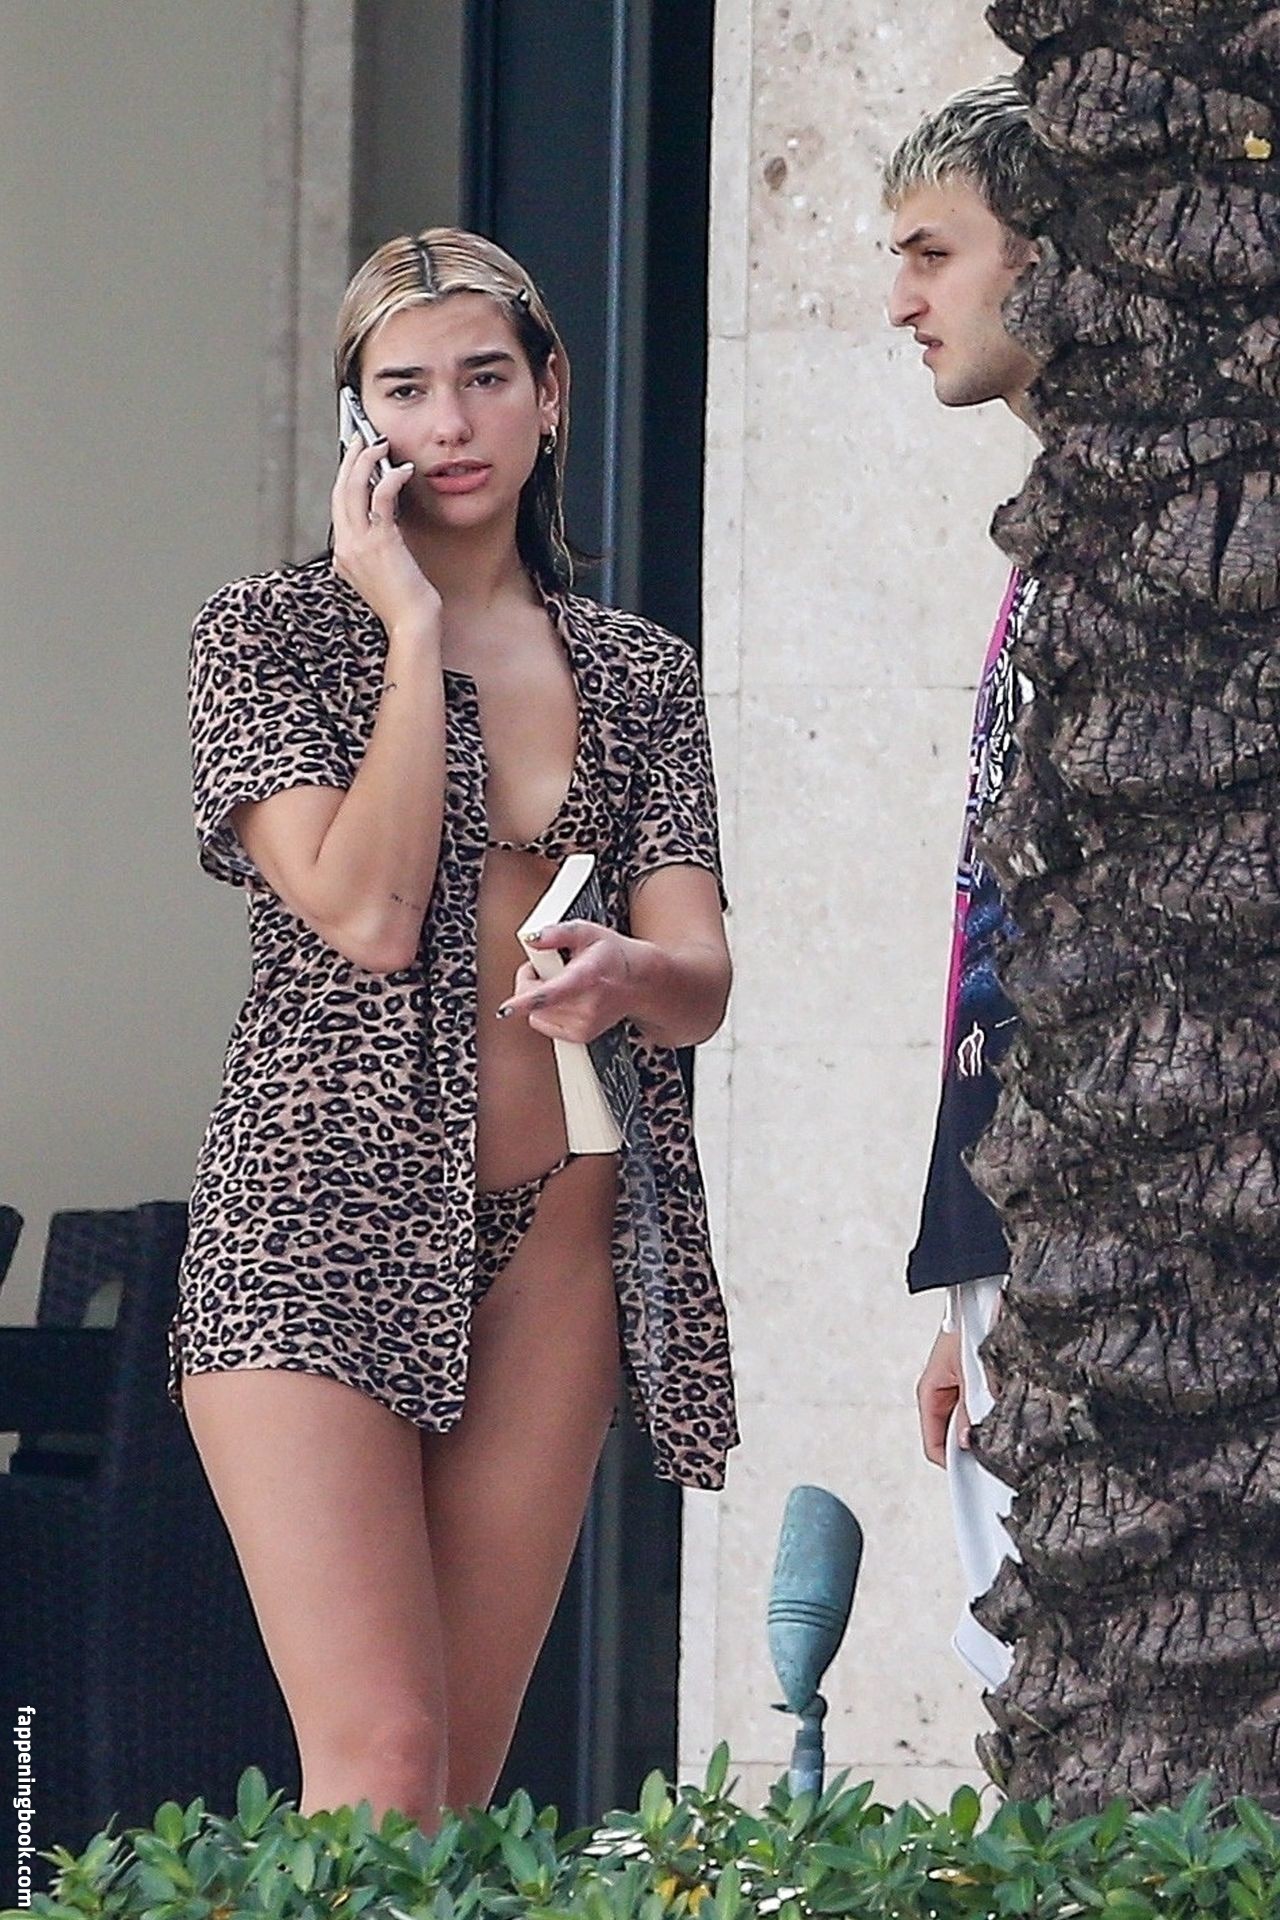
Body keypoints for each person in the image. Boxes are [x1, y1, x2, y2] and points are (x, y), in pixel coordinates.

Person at [166, 227, 739, 1826]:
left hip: (556, 1230)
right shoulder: (266, 636)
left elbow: (702, 974)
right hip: (311, 1217)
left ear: (551, 392)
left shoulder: (639, 674)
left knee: (451, 1807)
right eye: (407, 390)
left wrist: (628, 973)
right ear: (361, 421)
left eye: (486, 378)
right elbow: (365, 909)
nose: (452, 423)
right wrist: (411, 633)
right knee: (382, 1763)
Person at [882, 81, 1043, 1688]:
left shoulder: (1182, 542)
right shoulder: (1062, 543)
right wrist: (967, 1289)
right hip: (1027, 1214)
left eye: (935, 253)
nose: (902, 300)